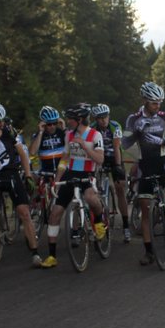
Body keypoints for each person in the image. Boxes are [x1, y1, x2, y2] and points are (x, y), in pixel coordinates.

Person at [125, 82, 165, 265]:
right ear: (145, 100)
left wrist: (164, 141)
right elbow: (124, 144)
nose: (158, 106)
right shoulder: (133, 118)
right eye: (154, 103)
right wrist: (136, 132)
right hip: (144, 165)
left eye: (160, 102)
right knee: (145, 210)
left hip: (162, 164)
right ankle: (149, 252)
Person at [40, 104, 108, 268]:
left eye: (70, 119)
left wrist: (84, 145)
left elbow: (99, 160)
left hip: (88, 174)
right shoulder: (68, 134)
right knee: (55, 213)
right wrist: (57, 179)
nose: (67, 121)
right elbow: (65, 158)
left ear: (79, 120)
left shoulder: (95, 134)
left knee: (91, 198)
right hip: (71, 173)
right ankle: (51, 256)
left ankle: (99, 222)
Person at [0, 102, 40, 266]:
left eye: (2, 120)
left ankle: (35, 252)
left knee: (24, 211)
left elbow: (23, 154)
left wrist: (28, 175)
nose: (1, 124)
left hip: (11, 173)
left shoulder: (11, 131)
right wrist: (0, 132)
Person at [91, 104, 132, 243]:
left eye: (105, 117)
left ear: (109, 116)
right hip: (99, 157)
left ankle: (126, 226)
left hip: (114, 157)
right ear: (96, 119)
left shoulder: (115, 126)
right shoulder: (92, 128)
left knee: (120, 188)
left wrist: (119, 166)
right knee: (92, 189)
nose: (103, 120)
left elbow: (116, 147)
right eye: (100, 118)